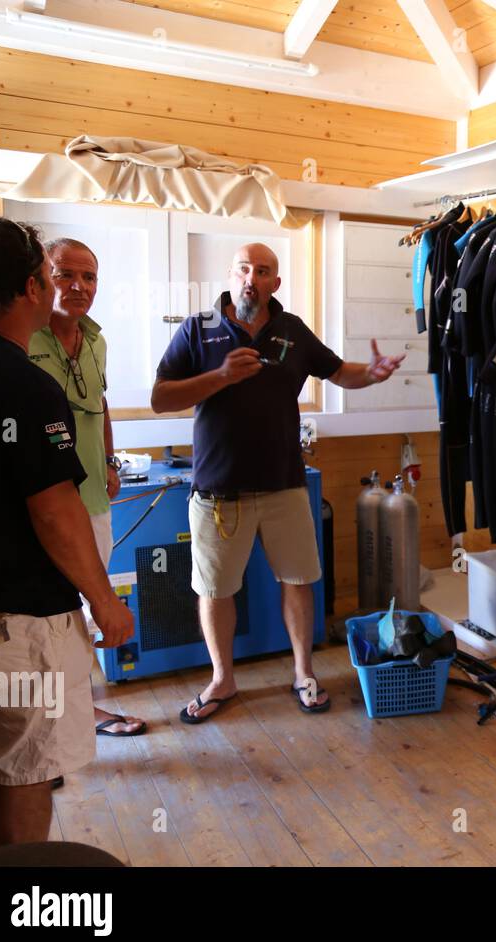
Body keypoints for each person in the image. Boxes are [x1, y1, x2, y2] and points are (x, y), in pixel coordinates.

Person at [152, 243, 404, 723]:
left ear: (275, 283)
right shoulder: (198, 329)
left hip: (284, 485)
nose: (252, 277)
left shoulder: (291, 330)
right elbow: (161, 397)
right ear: (231, 275)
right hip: (216, 490)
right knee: (215, 589)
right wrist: (220, 377)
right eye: (244, 268)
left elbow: (338, 372)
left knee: (298, 581)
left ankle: (304, 672)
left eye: (262, 270)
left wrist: (369, 374)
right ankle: (222, 680)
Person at [0, 215, 133, 850]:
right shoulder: (25, 384)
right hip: (20, 623)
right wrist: (104, 599)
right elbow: (54, 509)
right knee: (28, 768)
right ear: (33, 287)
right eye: (56, 274)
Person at [28, 238, 146, 738]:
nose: (78, 287)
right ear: (39, 280)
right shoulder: (23, 340)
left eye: (89, 277)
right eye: (64, 274)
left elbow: (99, 404)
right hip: (39, 503)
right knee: (46, 616)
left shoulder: (97, 340)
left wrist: (110, 461)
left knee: (82, 613)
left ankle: (80, 713)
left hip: (93, 499)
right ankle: (41, 726)